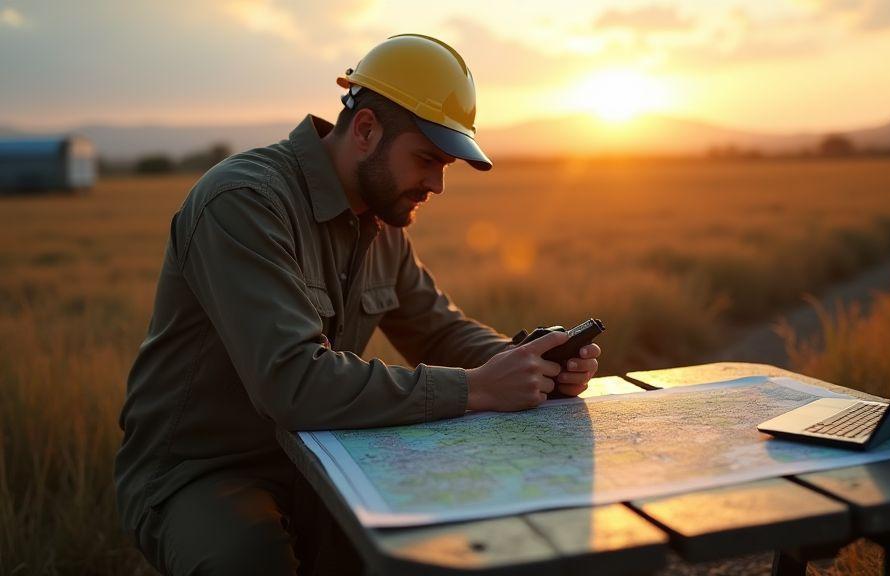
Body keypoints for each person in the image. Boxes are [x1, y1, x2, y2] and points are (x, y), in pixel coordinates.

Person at [114, 34, 601, 575]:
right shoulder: (245, 201)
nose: (437, 185)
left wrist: (531, 361)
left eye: (447, 166)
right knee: (249, 561)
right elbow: (293, 382)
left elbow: (439, 330)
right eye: (426, 159)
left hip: (334, 457)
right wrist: (478, 388)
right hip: (203, 471)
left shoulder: (381, 222)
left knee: (444, 546)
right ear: (366, 129)